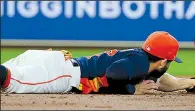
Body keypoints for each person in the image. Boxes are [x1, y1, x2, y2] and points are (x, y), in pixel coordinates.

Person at [0, 31, 182, 95]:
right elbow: (114, 73)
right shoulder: (140, 63)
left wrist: (191, 83)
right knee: (10, 81)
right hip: (63, 74)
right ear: (162, 62)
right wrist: (133, 90)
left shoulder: (137, 58)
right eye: (170, 62)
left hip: (55, 61)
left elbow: (161, 79)